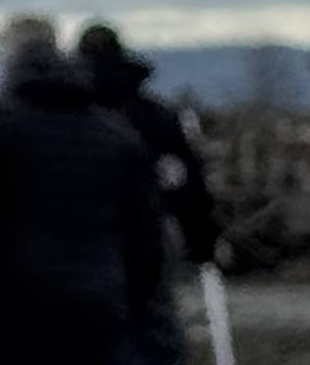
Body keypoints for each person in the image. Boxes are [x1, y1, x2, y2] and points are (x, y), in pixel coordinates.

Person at [0, 15, 170, 365]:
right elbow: (146, 232)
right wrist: (127, 293)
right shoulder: (115, 135)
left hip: (13, 306)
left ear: (8, 59)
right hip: (99, 305)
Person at [76, 23, 221, 363]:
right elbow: (188, 183)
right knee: (153, 326)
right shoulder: (156, 117)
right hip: (151, 236)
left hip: (85, 241)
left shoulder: (65, 120)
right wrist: (204, 241)